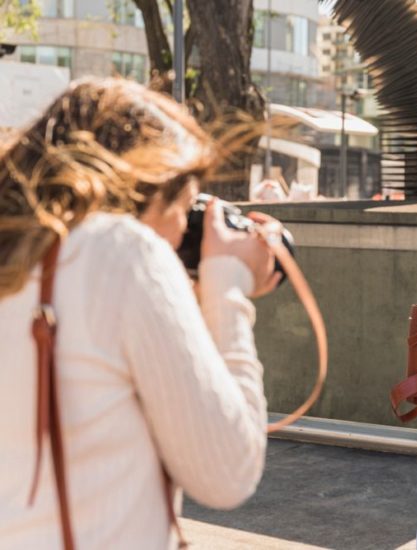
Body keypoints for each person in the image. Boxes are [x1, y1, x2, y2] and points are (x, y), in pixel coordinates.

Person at [0, 77, 281, 549]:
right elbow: (227, 472)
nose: (181, 232)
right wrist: (226, 284)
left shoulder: (23, 258)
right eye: (187, 207)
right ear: (145, 186)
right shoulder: (121, 252)